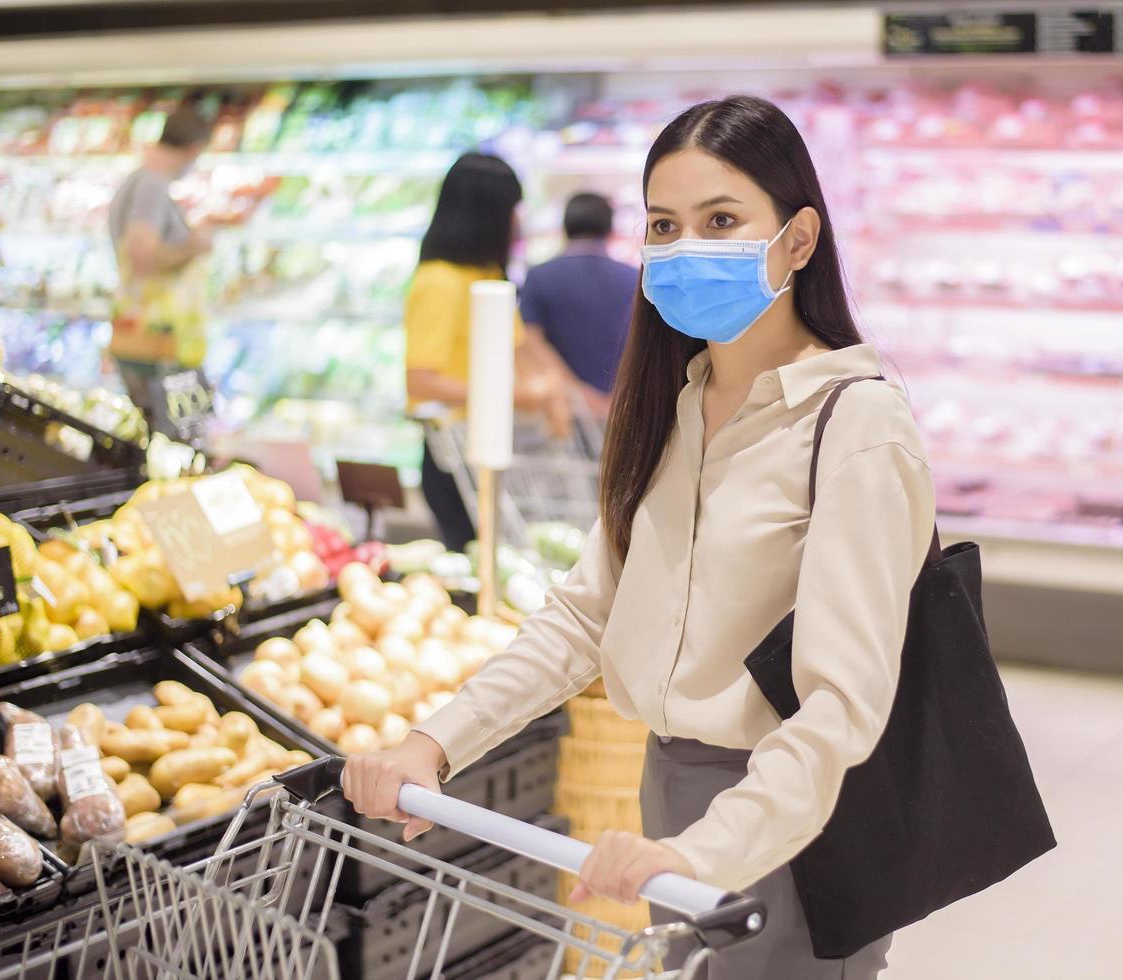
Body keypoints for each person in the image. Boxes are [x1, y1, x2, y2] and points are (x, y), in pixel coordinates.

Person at [345, 96, 934, 978]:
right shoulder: (678, 407)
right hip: (672, 792)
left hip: (793, 813)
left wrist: (707, 851)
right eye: (664, 225)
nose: (686, 247)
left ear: (799, 240)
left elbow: (839, 705)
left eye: (721, 220)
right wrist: (435, 741)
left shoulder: (856, 425)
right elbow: (584, 617)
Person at [404, 152, 571, 551]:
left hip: (492, 446)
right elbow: (420, 380)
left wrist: (558, 392)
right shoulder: (439, 282)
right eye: (512, 209)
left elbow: (519, 347)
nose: (517, 221)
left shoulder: (487, 276)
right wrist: (517, 396)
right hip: (451, 456)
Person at [107, 106, 214, 416]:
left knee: (161, 438)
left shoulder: (139, 181)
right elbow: (143, 257)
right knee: (188, 439)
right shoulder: (151, 186)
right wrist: (194, 245)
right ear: (194, 149)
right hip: (160, 342)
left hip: (142, 336)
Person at [518, 192, 638, 407]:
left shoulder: (539, 276)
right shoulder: (634, 279)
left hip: (564, 406)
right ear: (609, 227)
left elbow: (530, 341)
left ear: (565, 226)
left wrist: (577, 392)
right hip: (623, 403)